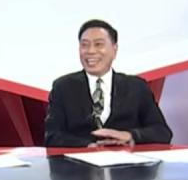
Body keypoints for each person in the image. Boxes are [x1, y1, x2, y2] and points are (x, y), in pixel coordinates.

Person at [44, 19, 173, 148]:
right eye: (84, 45)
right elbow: (52, 136)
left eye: (98, 44)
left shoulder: (137, 87)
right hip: (79, 159)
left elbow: (162, 132)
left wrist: (129, 135)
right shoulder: (63, 87)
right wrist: (89, 146)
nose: (91, 51)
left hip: (125, 159)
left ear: (114, 49)